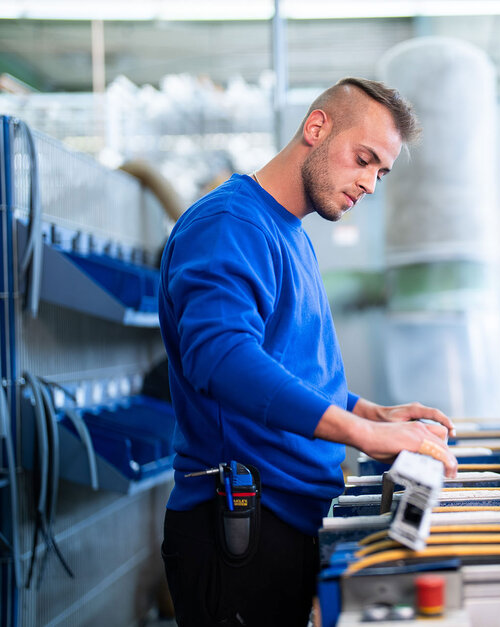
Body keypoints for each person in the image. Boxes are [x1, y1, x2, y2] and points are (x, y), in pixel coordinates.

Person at [158, 77, 458, 627]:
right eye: (364, 159)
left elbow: (286, 367)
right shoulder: (230, 225)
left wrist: (369, 411)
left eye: (381, 172)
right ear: (316, 128)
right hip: (241, 530)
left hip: (288, 519)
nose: (369, 183)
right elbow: (221, 359)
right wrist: (363, 435)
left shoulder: (290, 232)